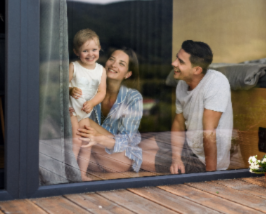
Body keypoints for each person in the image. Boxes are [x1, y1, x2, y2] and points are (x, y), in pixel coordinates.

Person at [140, 40, 233, 174]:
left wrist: (211, 177)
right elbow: (178, 123)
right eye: (177, 58)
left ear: (197, 70)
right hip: (188, 143)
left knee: (133, 157)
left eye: (181, 62)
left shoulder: (216, 83)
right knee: (139, 148)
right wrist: (176, 158)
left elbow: (209, 134)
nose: (173, 63)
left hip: (202, 160)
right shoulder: (182, 84)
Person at [73, 47, 143, 178]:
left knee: (84, 120)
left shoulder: (133, 97)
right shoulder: (91, 89)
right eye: (112, 59)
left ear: (127, 74)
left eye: (121, 64)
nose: (114, 65)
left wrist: (98, 138)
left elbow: (126, 140)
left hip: (119, 159)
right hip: (93, 157)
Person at [69, 29, 107, 181]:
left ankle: (82, 174)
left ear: (99, 49)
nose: (90, 54)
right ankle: (69, 173)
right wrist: (70, 89)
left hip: (84, 112)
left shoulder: (100, 70)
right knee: (76, 140)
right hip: (71, 110)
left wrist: (91, 103)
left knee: (86, 142)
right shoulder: (74, 66)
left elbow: (101, 92)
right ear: (76, 52)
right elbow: (61, 86)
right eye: (85, 50)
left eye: (94, 50)